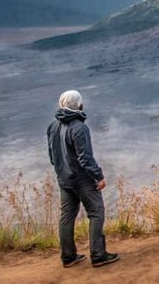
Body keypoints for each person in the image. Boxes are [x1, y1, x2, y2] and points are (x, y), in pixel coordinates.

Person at [47, 90, 120, 268]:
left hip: (64, 179)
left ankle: (68, 257)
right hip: (82, 180)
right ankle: (98, 254)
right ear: (79, 105)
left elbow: (52, 156)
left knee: (66, 217)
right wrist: (98, 176)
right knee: (96, 213)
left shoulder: (52, 126)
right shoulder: (79, 127)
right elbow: (85, 158)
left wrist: (60, 172)